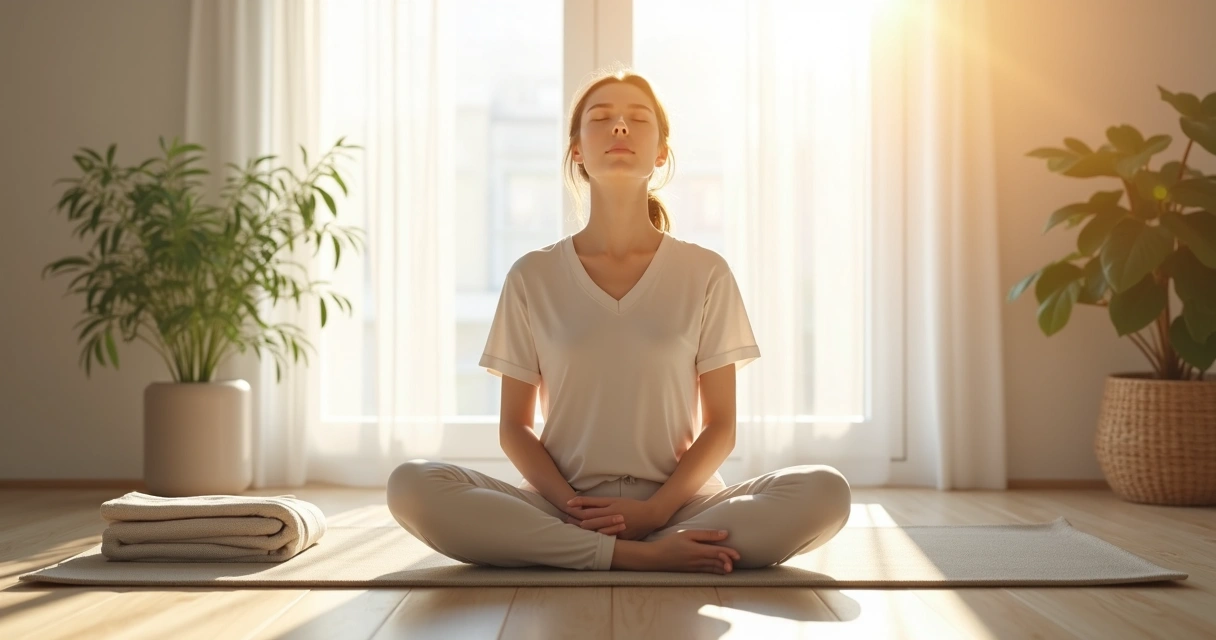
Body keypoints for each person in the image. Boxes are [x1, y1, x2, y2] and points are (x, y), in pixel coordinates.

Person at [387, 68, 851, 574]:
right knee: (411, 485)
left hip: (682, 506)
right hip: (563, 508)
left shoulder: (706, 272)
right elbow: (514, 427)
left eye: (638, 118)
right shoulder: (532, 275)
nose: (621, 127)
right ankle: (642, 556)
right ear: (578, 151)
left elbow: (721, 426)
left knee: (827, 491)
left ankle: (602, 551)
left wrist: (655, 511)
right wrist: (572, 508)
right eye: (602, 118)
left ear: (661, 153)